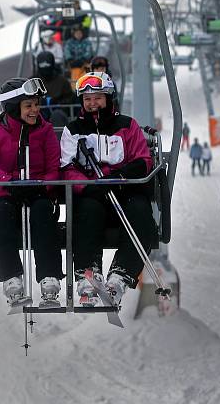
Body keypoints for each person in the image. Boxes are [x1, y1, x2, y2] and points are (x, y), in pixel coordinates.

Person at [60, 72, 155, 306]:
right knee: (88, 212)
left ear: (109, 97)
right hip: (92, 192)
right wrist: (87, 186)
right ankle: (87, 274)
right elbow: (66, 166)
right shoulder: (74, 130)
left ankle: (121, 275)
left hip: (125, 190)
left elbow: (143, 160)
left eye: (97, 98)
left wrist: (121, 176)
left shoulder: (126, 125)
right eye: (87, 99)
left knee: (141, 213)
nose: (92, 103)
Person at [0, 77, 64, 306]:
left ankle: (49, 276)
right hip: (8, 191)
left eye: (36, 104)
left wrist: (44, 184)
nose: (35, 110)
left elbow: (54, 166)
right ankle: (12, 277)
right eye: (28, 106)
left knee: (43, 214)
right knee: (1, 216)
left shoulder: (45, 131)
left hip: (38, 191)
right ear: (14, 108)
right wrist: (5, 179)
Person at [34, 51, 75, 126]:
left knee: (57, 115)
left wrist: (58, 103)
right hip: (38, 111)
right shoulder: (33, 81)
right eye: (43, 65)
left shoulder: (62, 81)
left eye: (47, 64)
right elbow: (26, 100)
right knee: (37, 115)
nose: (45, 67)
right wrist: (40, 102)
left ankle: (58, 136)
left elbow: (70, 98)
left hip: (59, 111)